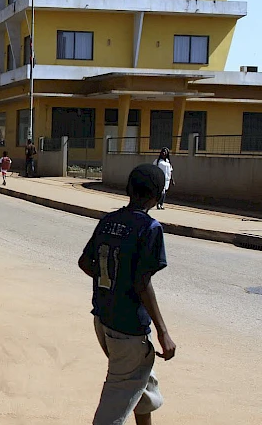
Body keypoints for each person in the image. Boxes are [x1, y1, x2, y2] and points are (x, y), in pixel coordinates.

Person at [78, 164, 176, 425]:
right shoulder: (150, 228)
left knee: (142, 384)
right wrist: (163, 332)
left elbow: (85, 263)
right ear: (157, 196)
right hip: (129, 328)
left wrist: (112, 282)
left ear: (128, 190)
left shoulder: (108, 221)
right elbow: (142, 283)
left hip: (103, 319)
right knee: (118, 395)